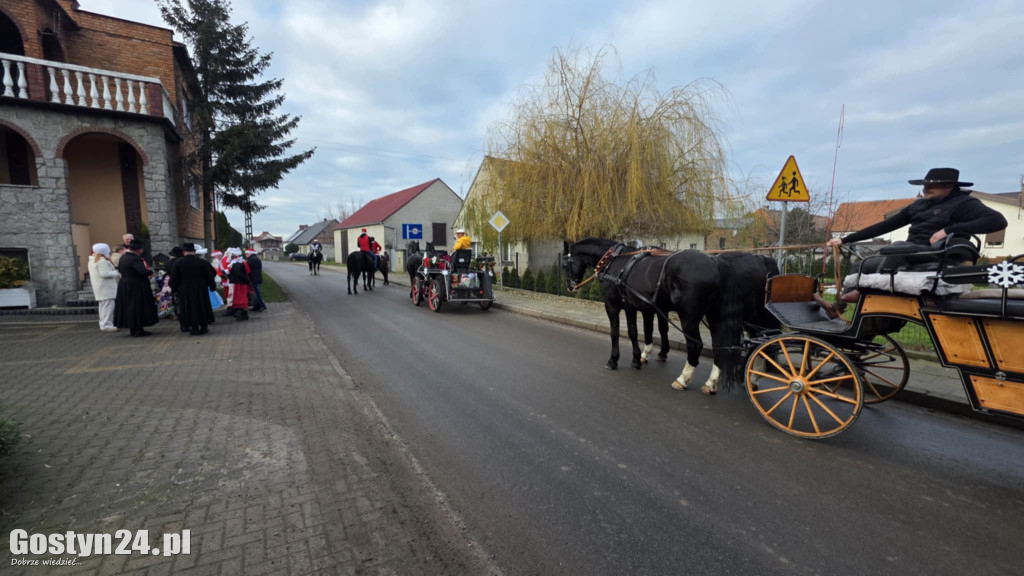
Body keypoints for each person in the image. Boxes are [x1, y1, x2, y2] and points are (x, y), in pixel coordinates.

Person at [826, 167, 1007, 308]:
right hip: (911, 252)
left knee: (897, 246)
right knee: (861, 265)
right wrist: (845, 240)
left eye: (931, 186)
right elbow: (886, 226)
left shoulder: (965, 203)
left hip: (938, 253)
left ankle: (865, 291)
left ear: (949, 187)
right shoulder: (919, 205)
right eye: (924, 185)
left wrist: (948, 230)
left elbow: (998, 221)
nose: (925, 189)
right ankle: (838, 307)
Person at [170, 243, 217, 335]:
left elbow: (174, 278)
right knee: (202, 306)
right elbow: (210, 275)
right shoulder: (202, 262)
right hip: (201, 289)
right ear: (194, 252)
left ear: (183, 252)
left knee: (189, 308)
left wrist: (174, 289)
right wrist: (212, 286)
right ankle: (204, 327)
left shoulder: (178, 263)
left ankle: (194, 328)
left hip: (185, 289)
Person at [114, 238, 158, 336]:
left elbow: (120, 269)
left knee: (129, 307)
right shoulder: (135, 259)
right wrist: (151, 271)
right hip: (136, 285)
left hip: (124, 284)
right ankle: (139, 329)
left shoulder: (123, 257)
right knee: (138, 306)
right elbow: (142, 272)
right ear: (139, 250)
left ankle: (133, 328)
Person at [87, 243, 119, 332]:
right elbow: (105, 274)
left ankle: (103, 323)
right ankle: (107, 324)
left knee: (103, 306)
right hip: (106, 288)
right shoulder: (101, 261)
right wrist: (116, 273)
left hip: (100, 287)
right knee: (108, 306)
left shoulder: (92, 260)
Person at [226, 248, 252, 320]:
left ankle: (242, 313)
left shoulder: (241, 263)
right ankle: (241, 313)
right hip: (238, 282)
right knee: (239, 298)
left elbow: (246, 272)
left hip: (240, 283)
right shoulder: (236, 263)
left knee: (242, 298)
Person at [246, 248, 267, 312]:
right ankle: (256, 306)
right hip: (257, 278)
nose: (246, 255)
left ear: (250, 253)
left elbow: (246, 268)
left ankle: (262, 305)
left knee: (256, 293)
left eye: (247, 253)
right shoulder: (256, 258)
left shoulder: (251, 260)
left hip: (254, 278)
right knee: (256, 293)